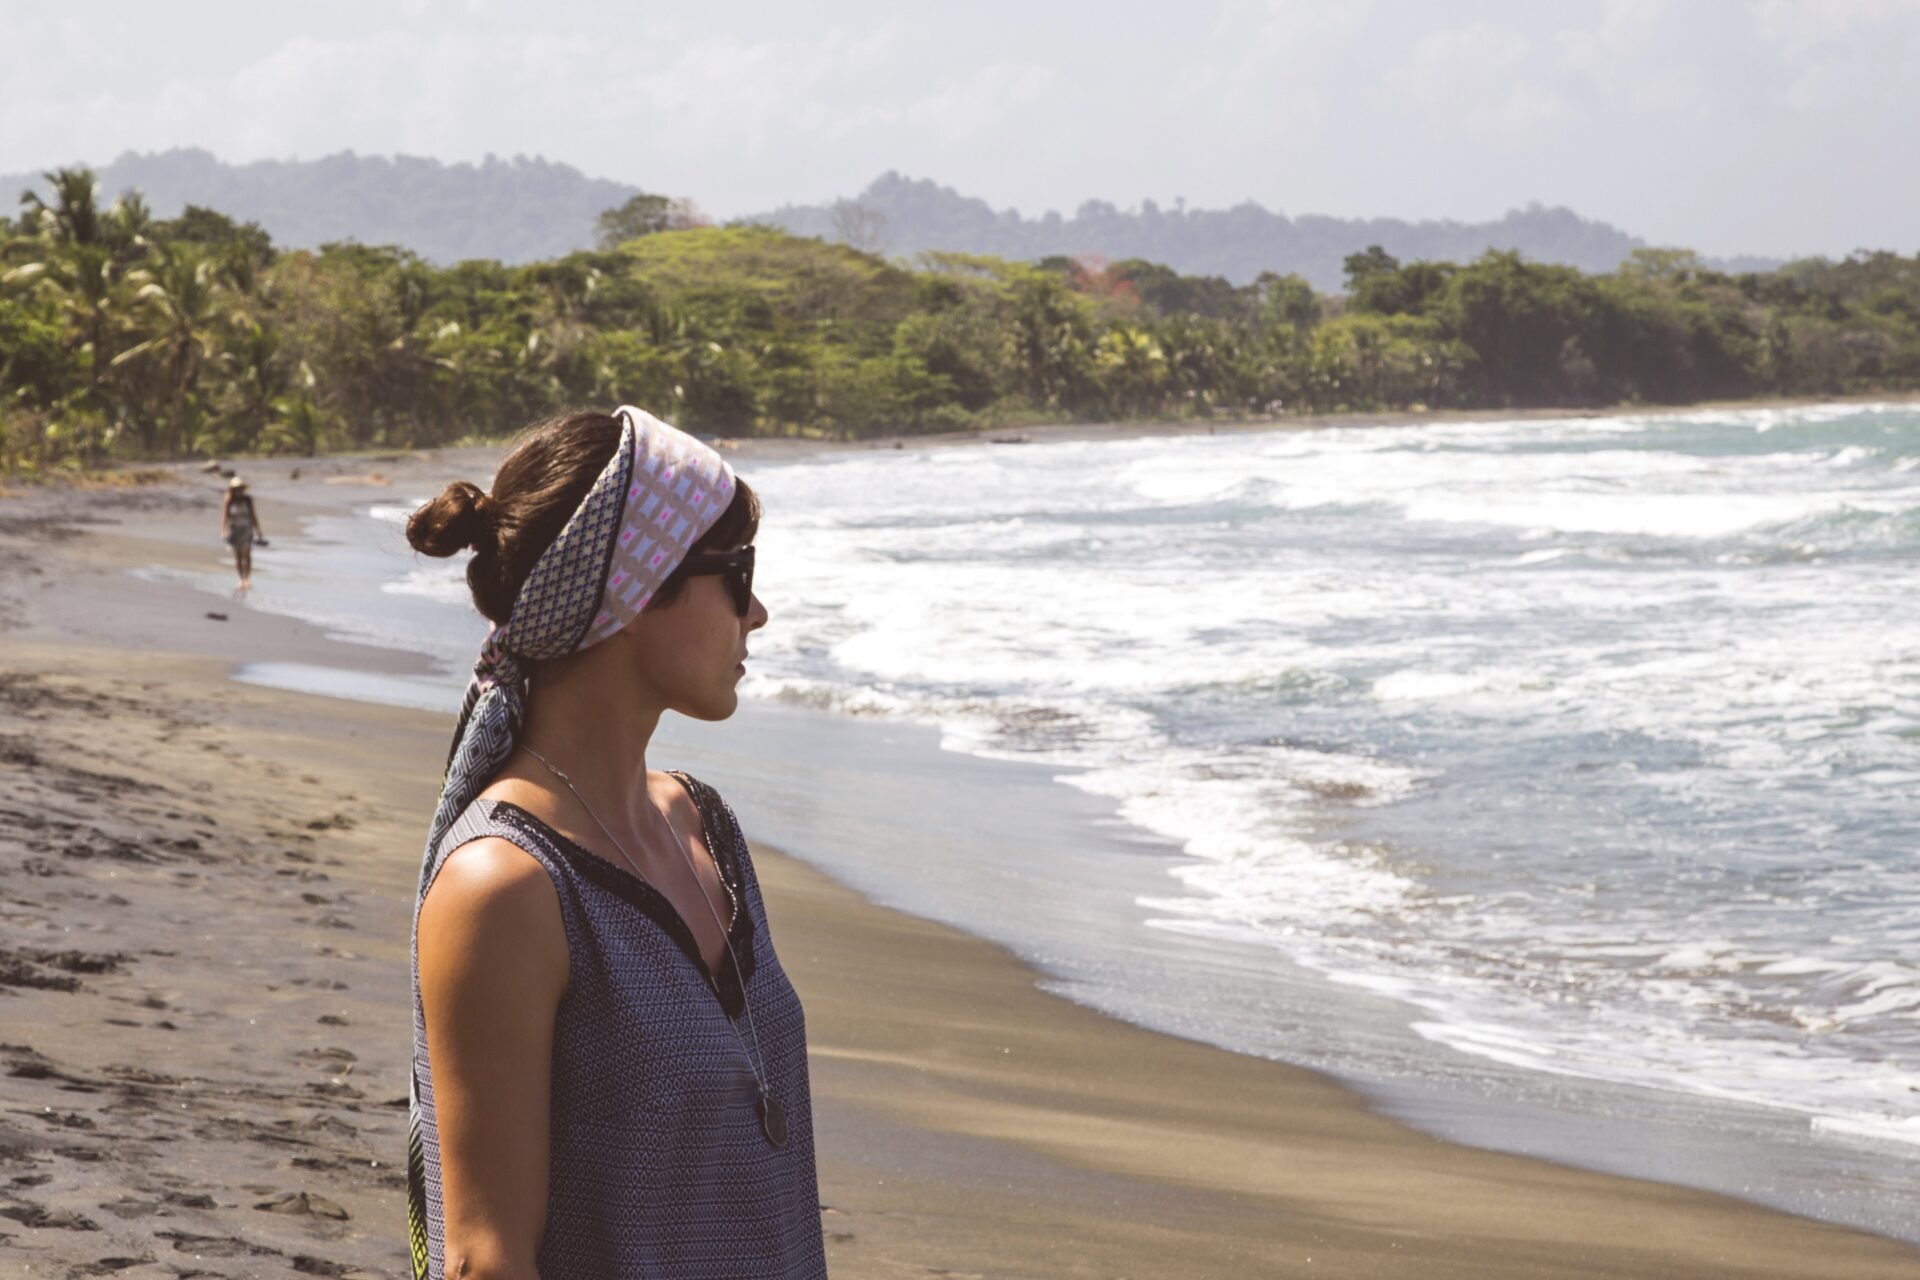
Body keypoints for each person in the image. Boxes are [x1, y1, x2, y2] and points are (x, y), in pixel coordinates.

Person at [401, 405, 824, 1280]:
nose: (761, 612)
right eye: (735, 574)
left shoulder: (706, 830)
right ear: (637, 588)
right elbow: (486, 1259)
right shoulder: (506, 887)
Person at [219, 475, 266, 591]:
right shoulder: (229, 500)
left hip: (246, 529)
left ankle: (247, 578)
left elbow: (253, 516)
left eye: (240, 488)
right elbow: (225, 516)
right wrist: (223, 530)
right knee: (238, 556)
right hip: (234, 530)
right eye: (236, 488)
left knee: (247, 554)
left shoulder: (247, 500)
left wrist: (258, 531)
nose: (239, 490)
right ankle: (241, 579)